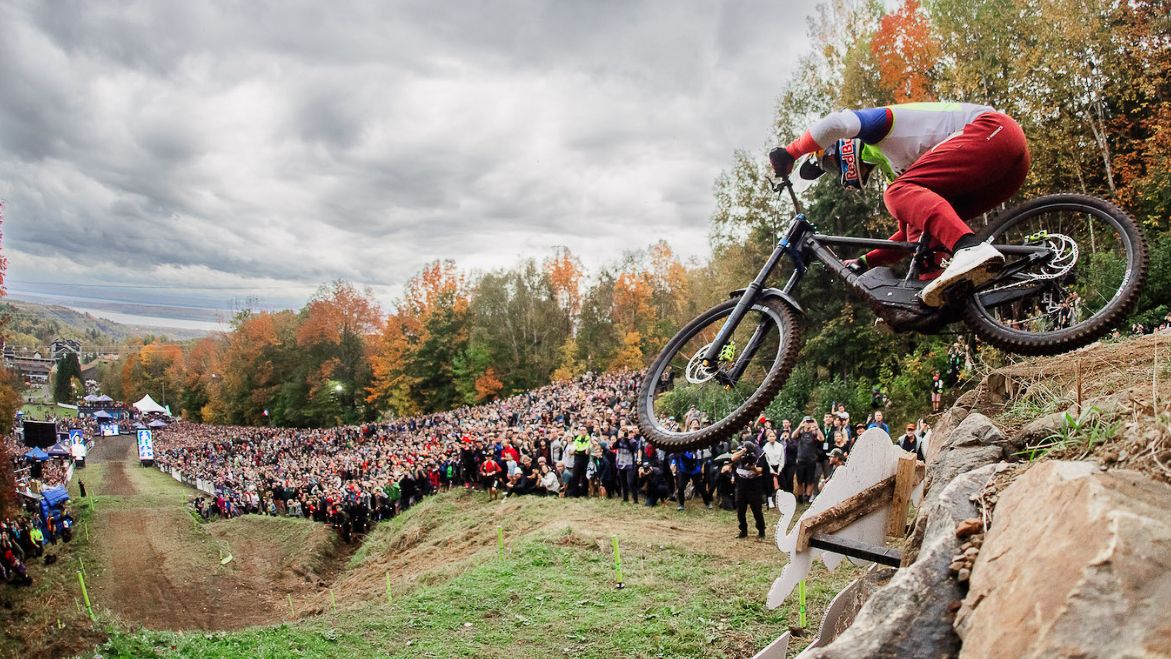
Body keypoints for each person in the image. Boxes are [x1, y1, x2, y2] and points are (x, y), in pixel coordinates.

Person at [769, 102, 1031, 308]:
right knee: (923, 235)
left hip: (992, 130)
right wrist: (863, 261)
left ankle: (968, 248)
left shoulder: (878, 128)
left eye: (829, 164)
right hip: (1006, 168)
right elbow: (907, 236)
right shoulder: (903, 171)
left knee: (895, 193)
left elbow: (836, 122)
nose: (837, 175)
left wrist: (792, 152)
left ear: (842, 148)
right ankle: (941, 297)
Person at [731, 441, 771, 540]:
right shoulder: (741, 449)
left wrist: (753, 468)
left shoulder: (760, 453)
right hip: (741, 481)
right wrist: (743, 452)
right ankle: (743, 531)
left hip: (754, 482)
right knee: (740, 509)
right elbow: (733, 458)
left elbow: (760, 470)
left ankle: (761, 531)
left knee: (756, 509)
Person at [794, 416, 823, 504]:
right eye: (806, 421)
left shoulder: (814, 433)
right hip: (801, 459)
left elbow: (822, 439)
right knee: (799, 480)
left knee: (810, 480)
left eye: (809, 421)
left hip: (811, 460)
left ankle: (807, 496)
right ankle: (799, 497)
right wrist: (800, 426)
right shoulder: (801, 432)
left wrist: (816, 426)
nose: (808, 423)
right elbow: (793, 436)